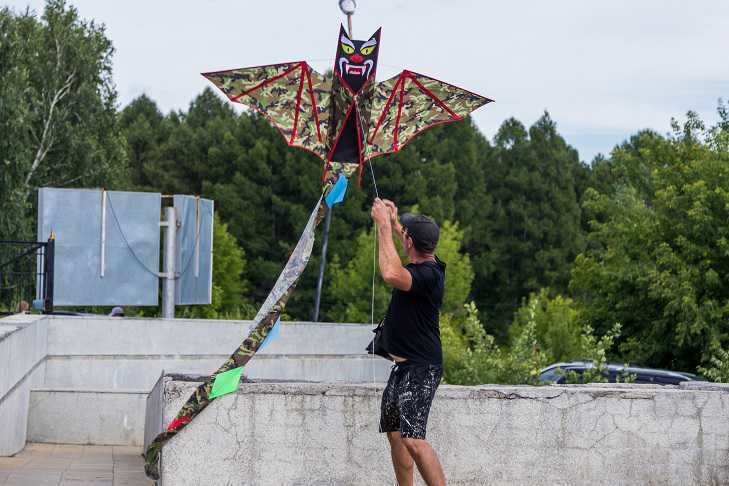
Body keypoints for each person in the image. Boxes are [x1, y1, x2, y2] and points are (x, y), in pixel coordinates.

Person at [370, 197, 447, 486]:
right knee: (395, 433)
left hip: (421, 367)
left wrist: (382, 228)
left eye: (405, 235)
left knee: (413, 439)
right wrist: (392, 221)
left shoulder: (428, 275)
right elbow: (408, 239)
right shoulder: (424, 261)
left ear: (410, 242)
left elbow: (390, 273)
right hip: (402, 368)